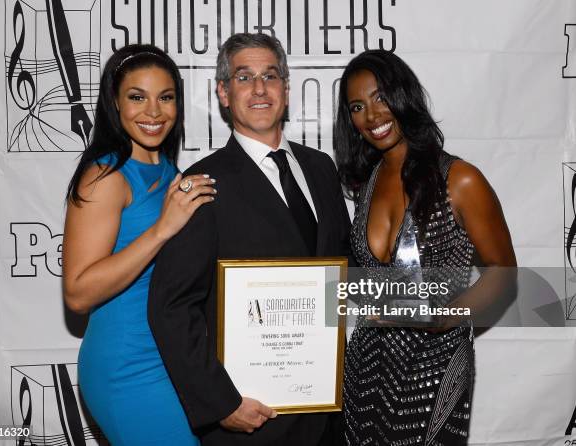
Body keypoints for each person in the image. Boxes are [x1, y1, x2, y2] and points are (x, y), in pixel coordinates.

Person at [148, 33, 351, 445]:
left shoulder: (321, 169)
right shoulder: (200, 185)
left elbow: (341, 275)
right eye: (244, 78)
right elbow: (171, 308)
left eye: (270, 76)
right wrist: (221, 403)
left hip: (327, 414)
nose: (260, 89)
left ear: (286, 89)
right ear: (223, 93)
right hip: (251, 421)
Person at [333, 50, 516, 445]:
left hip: (434, 363)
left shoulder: (460, 179)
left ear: (404, 96)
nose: (372, 116)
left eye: (381, 97)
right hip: (365, 367)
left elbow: (504, 275)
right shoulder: (367, 184)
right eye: (357, 106)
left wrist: (444, 316)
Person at [62, 44, 216, 445]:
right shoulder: (105, 177)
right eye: (137, 97)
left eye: (165, 98)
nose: (153, 112)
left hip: (175, 361)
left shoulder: (173, 173)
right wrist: (162, 229)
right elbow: (78, 293)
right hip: (128, 365)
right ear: (114, 102)